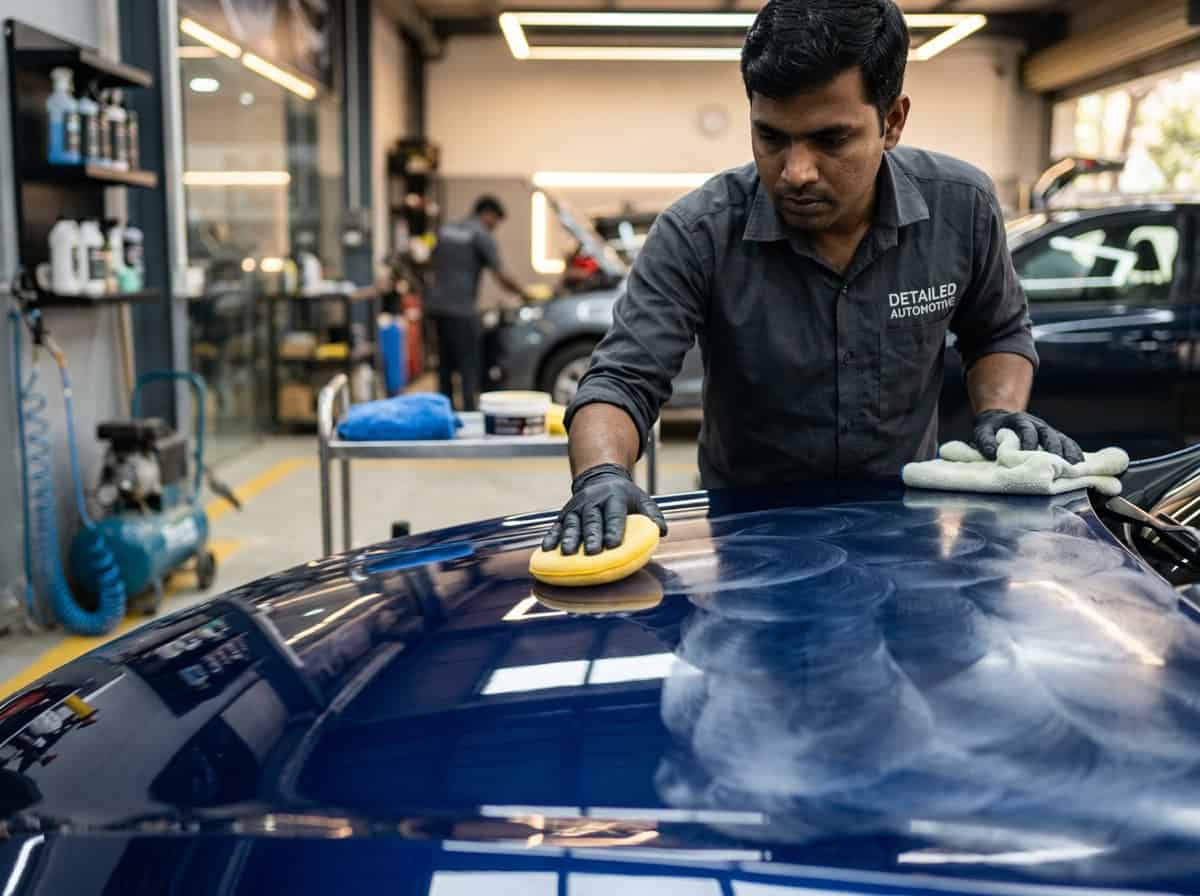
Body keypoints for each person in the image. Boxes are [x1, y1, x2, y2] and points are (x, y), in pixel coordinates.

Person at [543, 0, 1084, 557]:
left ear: (892, 122)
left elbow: (996, 331)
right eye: (771, 138)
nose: (795, 172)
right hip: (751, 541)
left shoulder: (961, 207)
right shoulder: (697, 232)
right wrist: (602, 474)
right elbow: (621, 380)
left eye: (830, 140)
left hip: (908, 536)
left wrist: (999, 411)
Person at [425, 196, 527, 411]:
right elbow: (500, 274)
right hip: (461, 310)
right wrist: (525, 293)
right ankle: (470, 413)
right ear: (487, 214)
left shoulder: (446, 230)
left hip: (436, 308)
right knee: (468, 365)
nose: (494, 227)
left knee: (444, 365)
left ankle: (445, 412)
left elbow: (430, 263)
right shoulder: (480, 234)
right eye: (495, 221)